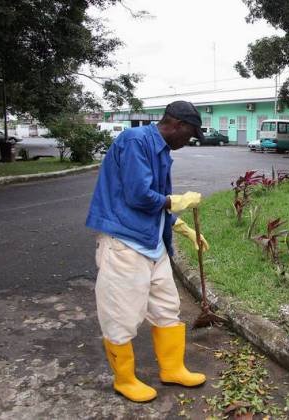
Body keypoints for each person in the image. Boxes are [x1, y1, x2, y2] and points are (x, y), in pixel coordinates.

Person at [86, 101, 211, 402]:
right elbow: (138, 194)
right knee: (121, 315)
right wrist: (175, 201)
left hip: (153, 245)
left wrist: (180, 225)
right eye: (190, 134)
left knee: (167, 308)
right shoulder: (135, 141)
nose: (189, 141)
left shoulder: (161, 151)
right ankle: (124, 379)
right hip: (125, 244)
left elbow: (155, 200)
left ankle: (172, 369)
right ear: (177, 125)